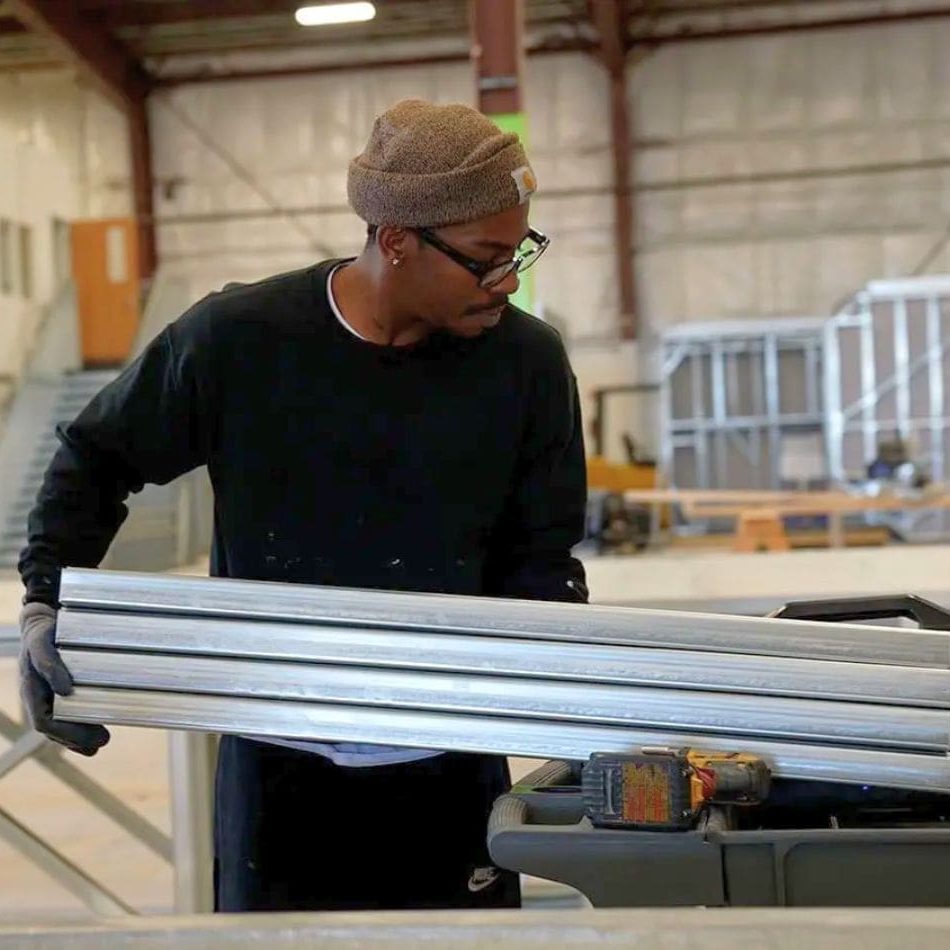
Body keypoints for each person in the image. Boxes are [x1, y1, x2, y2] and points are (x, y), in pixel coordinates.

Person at [17, 99, 589, 912]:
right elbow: (96, 456)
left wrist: (583, 692)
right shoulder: (240, 342)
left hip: (449, 770)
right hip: (276, 772)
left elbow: (542, 556)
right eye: (488, 259)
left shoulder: (526, 364)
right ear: (396, 240)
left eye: (519, 252)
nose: (509, 281)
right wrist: (48, 605)